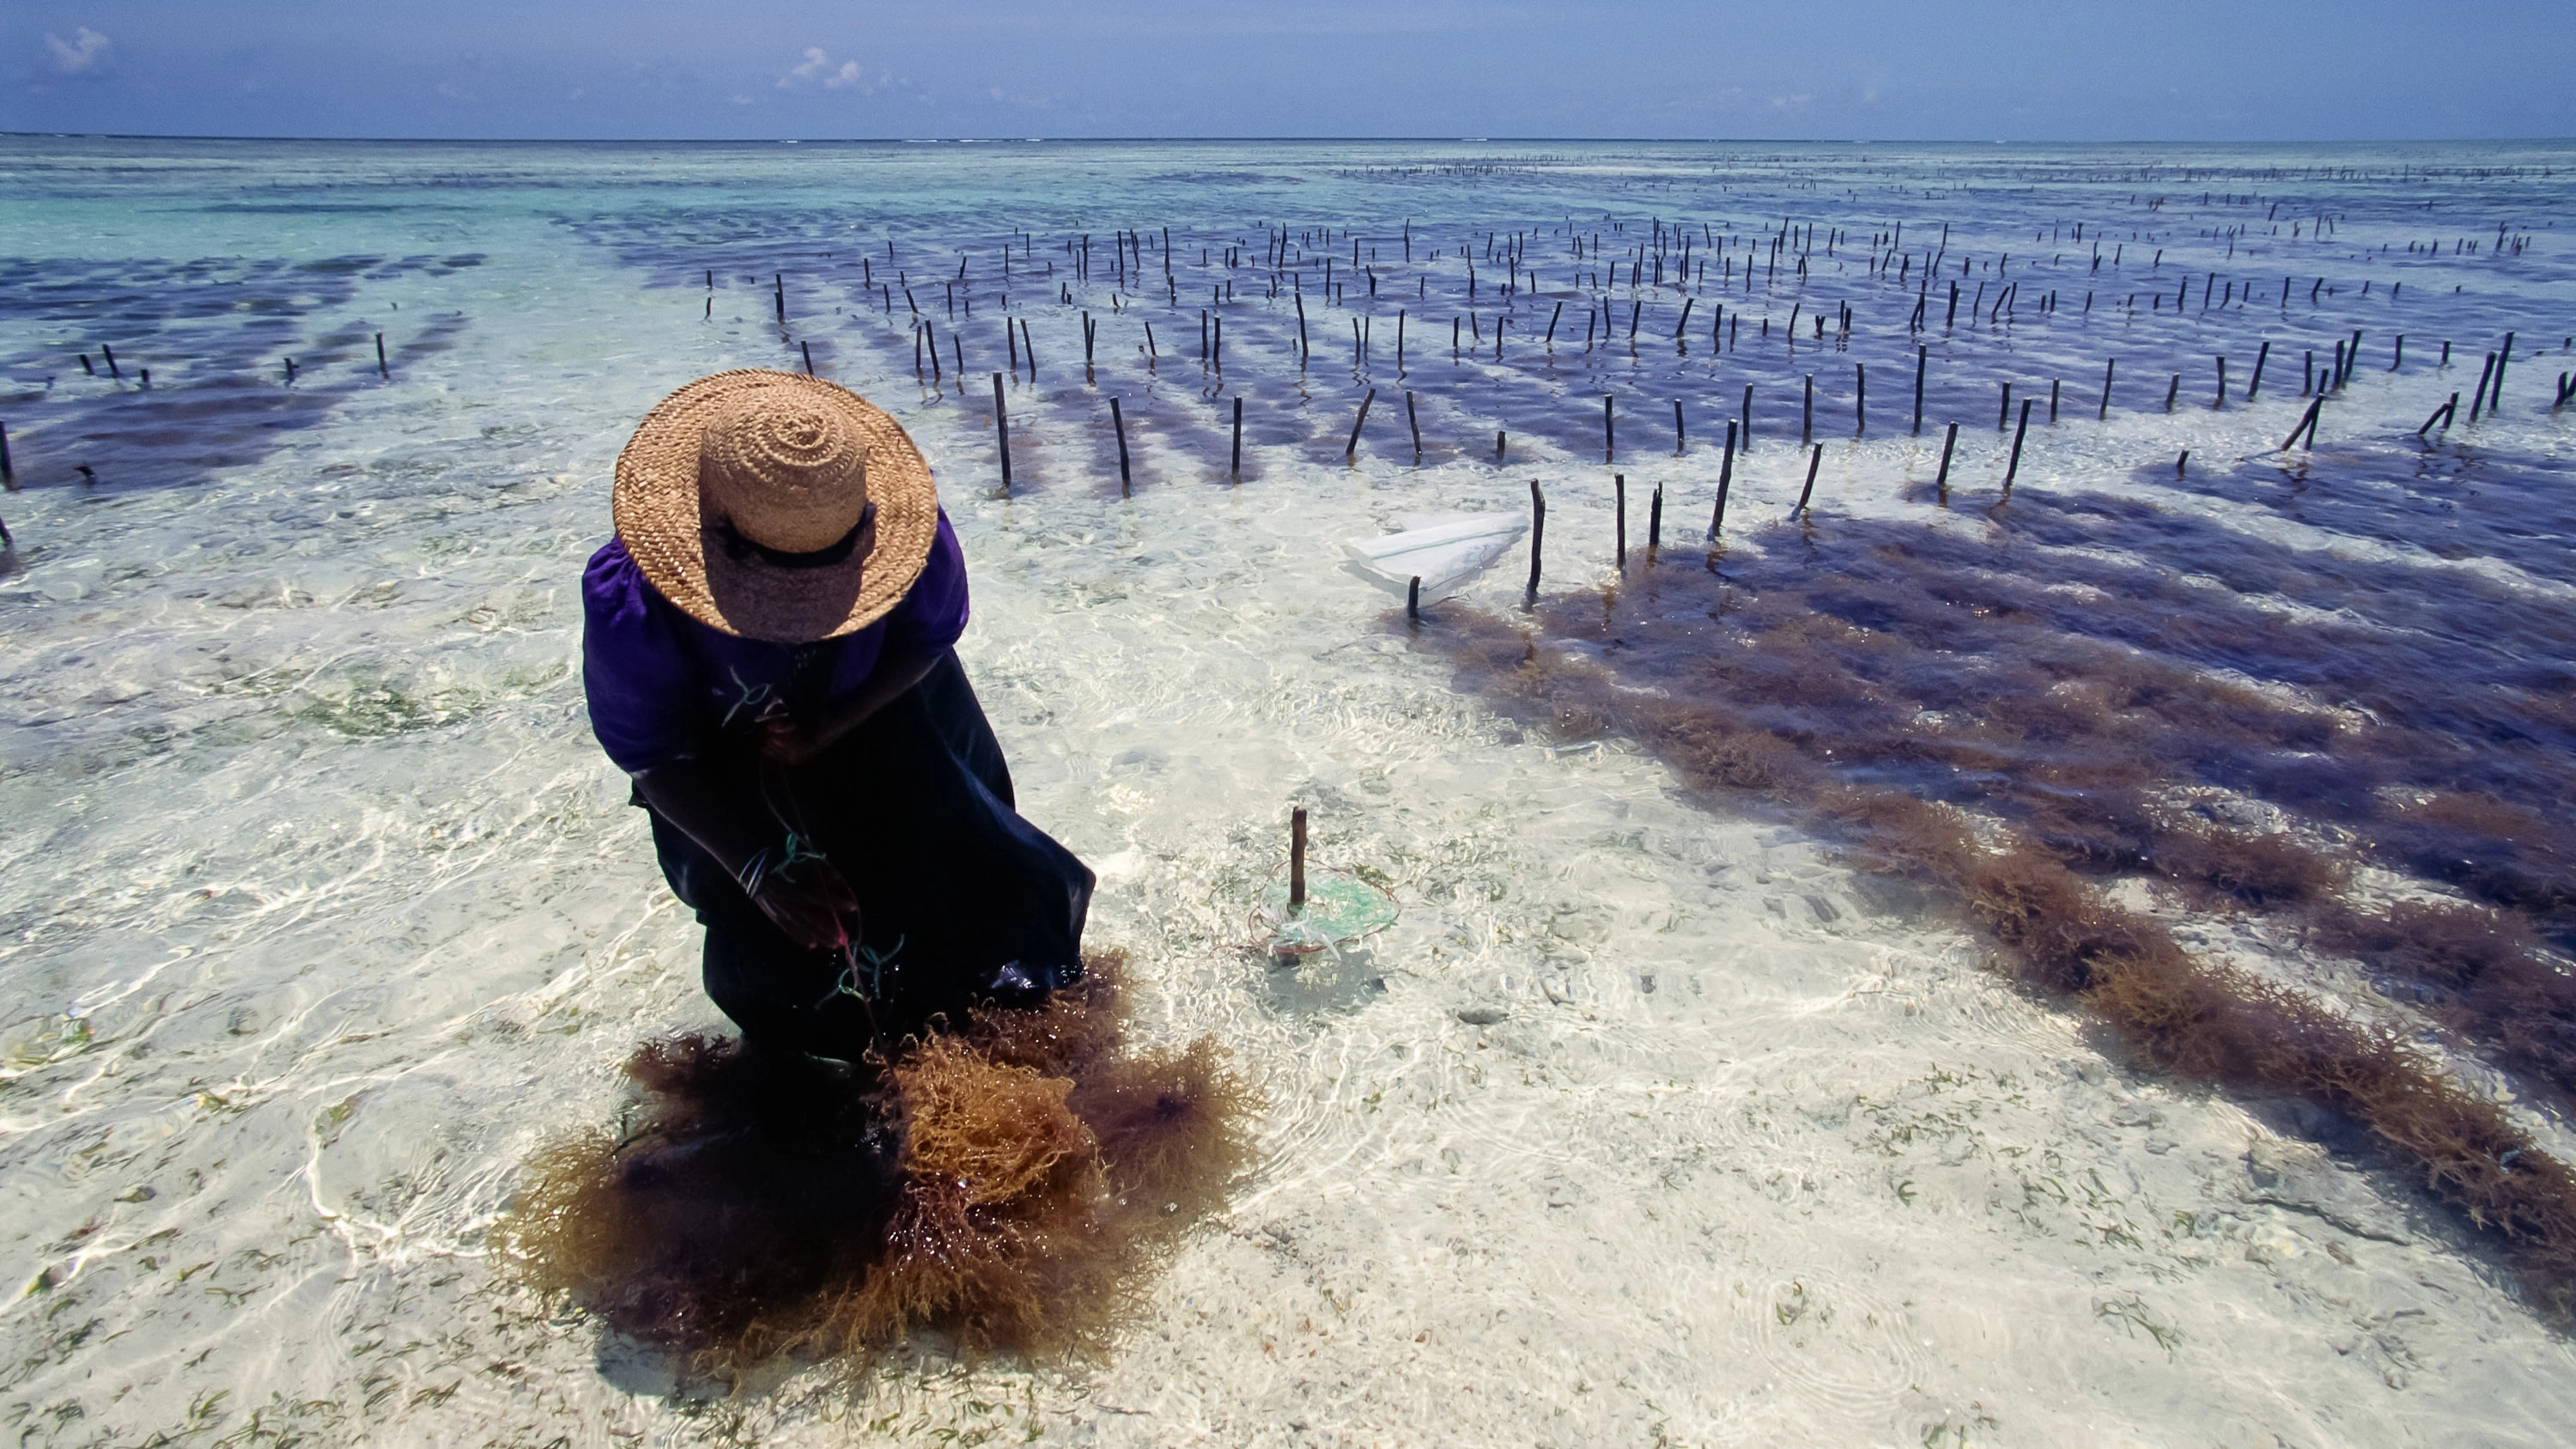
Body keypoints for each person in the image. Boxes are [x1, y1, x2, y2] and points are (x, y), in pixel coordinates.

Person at [580, 369, 1093, 1067]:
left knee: (969, 884)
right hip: (729, 767)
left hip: (890, 711)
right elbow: (652, 755)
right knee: (788, 974)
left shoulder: (903, 532)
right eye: (780, 595)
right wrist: (758, 869)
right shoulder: (635, 606)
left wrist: (837, 721)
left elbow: (925, 639)